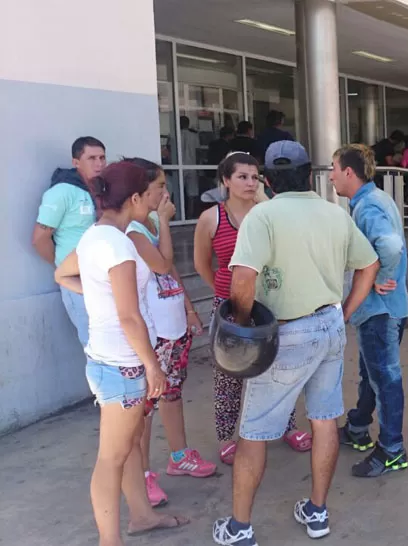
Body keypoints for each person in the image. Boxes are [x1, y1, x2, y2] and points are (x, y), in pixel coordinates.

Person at [212, 140, 379, 545]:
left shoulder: (262, 216)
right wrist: (343, 312)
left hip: (285, 333)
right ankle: (317, 513)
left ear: (268, 179)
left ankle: (239, 528)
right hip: (328, 326)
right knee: (324, 420)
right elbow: (369, 263)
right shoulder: (335, 214)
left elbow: (243, 279)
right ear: (310, 176)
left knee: (254, 431)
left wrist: (240, 329)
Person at [54, 161, 189, 544]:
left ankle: (142, 515)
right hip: (124, 365)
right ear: (134, 197)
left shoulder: (96, 235)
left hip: (106, 359)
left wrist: (100, 298)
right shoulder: (118, 245)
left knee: (126, 447)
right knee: (111, 459)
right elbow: (130, 317)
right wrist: (153, 367)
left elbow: (63, 275)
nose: (159, 198)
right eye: (154, 191)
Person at [193, 152, 311, 466]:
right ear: (226, 181)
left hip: (267, 305)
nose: (249, 182)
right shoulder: (212, 218)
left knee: (278, 369)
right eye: (242, 176)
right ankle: (226, 438)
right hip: (229, 308)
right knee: (228, 377)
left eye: (254, 176)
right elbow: (202, 263)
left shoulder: (268, 213)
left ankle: (287, 426)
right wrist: (223, 290)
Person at [121, 158, 214, 508]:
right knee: (144, 409)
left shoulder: (149, 226)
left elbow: (171, 269)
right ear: (138, 194)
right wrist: (163, 221)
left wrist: (189, 308)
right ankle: (142, 475)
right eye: (159, 186)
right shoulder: (133, 231)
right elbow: (160, 263)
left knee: (172, 395)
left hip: (174, 328)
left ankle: (179, 455)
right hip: (154, 333)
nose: (165, 192)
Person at [330, 144, 408, 477]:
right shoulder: (375, 198)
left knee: (385, 379)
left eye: (334, 168)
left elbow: (390, 246)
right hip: (384, 310)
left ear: (349, 172)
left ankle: (392, 450)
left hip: (381, 312)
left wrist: (382, 276)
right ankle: (359, 427)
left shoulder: (366, 207)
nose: (331, 175)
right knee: (372, 375)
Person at [32, 136, 106, 346]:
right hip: (78, 280)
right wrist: (64, 267)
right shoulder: (62, 192)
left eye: (102, 157)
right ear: (76, 162)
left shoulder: (102, 189)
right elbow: (40, 238)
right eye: (91, 158)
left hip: (105, 277)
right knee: (95, 347)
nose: (99, 163)